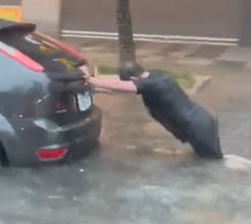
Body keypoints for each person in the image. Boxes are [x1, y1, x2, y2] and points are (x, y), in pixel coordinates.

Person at [82, 63, 223, 160]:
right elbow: (121, 88)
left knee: (213, 163)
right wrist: (96, 88)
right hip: (202, 120)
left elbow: (122, 86)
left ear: (133, 79)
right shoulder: (154, 77)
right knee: (204, 160)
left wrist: (92, 80)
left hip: (197, 127)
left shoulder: (150, 84)